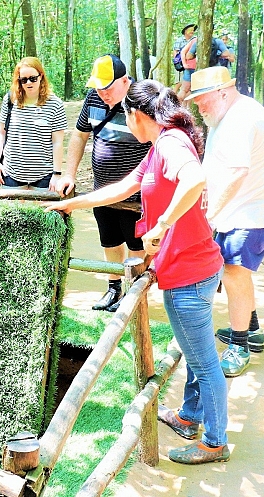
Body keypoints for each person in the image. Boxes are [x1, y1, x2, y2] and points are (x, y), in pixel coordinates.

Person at [47, 80, 229, 465]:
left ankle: (214, 442)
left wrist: (161, 225)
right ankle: (189, 417)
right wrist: (73, 204)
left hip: (188, 272)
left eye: (125, 115)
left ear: (136, 115)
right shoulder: (160, 144)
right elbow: (122, 188)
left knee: (204, 363)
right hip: (195, 266)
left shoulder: (170, 143)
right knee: (195, 352)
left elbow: (195, 180)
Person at [185, 67, 264, 377]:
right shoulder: (224, 115)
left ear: (222, 92)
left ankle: (239, 345)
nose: (199, 109)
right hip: (237, 213)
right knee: (236, 275)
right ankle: (250, 329)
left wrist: (210, 215)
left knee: (234, 273)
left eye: (202, 101)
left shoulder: (241, 118)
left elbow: (238, 172)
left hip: (249, 214)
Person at [54, 55, 151, 312]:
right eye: (98, 87)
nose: (102, 93)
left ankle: (134, 292)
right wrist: (69, 174)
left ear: (124, 81)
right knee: (109, 241)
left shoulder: (142, 101)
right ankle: (114, 287)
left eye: (107, 88)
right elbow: (80, 135)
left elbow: (158, 145)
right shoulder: (94, 100)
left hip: (137, 196)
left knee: (136, 244)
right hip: (102, 192)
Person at [0, 57, 67, 191]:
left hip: (44, 174)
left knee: (43, 211)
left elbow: (58, 142)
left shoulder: (55, 104)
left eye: (33, 78)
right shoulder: (10, 100)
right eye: (23, 80)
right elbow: (1, 132)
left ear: (41, 76)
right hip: (11, 173)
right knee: (13, 212)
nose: (28, 83)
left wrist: (56, 173)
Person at [177, 33, 235, 101]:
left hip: (192, 68)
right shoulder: (218, 41)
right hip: (211, 68)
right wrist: (217, 54)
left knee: (184, 90)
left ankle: (176, 107)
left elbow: (188, 56)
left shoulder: (197, 41)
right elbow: (226, 53)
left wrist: (197, 55)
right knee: (209, 90)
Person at [173, 24, 197, 92]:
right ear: (186, 31)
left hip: (190, 65)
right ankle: (171, 97)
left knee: (189, 84)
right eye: (190, 30)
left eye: (193, 30)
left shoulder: (194, 39)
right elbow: (175, 52)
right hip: (181, 64)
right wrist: (177, 64)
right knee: (179, 82)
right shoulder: (179, 40)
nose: (192, 31)